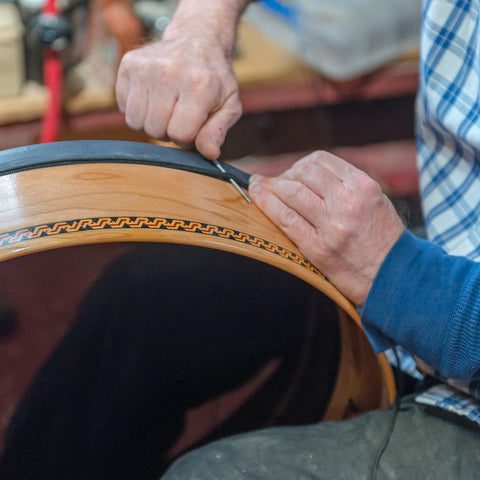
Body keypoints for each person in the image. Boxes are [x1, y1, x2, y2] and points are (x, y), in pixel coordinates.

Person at [115, 0, 480, 477]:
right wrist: (203, 24)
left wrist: (407, 282)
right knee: (142, 297)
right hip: (450, 259)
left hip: (451, 324)